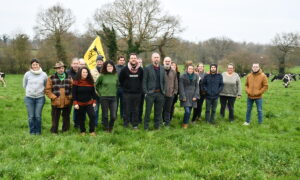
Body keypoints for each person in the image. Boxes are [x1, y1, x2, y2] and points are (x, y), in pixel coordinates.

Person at [45, 61, 73, 134]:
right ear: (56, 69)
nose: (60, 69)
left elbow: (73, 89)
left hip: (66, 101)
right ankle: (54, 131)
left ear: (64, 68)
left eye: (62, 68)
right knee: (55, 117)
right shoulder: (51, 78)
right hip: (55, 102)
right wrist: (54, 98)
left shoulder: (69, 77)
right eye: (58, 68)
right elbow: (47, 90)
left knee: (66, 117)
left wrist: (70, 96)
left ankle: (65, 130)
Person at [23, 59, 48, 135]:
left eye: (36, 64)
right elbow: (24, 85)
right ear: (31, 66)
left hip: (40, 98)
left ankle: (38, 132)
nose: (35, 66)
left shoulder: (44, 74)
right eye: (33, 64)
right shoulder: (27, 74)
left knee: (37, 116)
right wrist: (30, 91)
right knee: (31, 116)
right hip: (29, 98)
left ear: (39, 65)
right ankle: (32, 132)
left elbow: (46, 85)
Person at [119, 53, 143, 129]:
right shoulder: (124, 69)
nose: (133, 59)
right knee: (126, 110)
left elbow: (142, 80)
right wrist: (126, 88)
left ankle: (135, 125)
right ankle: (126, 124)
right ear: (129, 59)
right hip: (127, 93)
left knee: (136, 110)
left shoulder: (140, 70)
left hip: (137, 94)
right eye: (132, 58)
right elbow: (121, 80)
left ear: (136, 60)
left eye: (134, 58)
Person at [143, 52, 166, 130]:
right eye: (155, 57)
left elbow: (164, 81)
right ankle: (146, 127)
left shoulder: (162, 68)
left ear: (159, 59)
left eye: (157, 57)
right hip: (150, 94)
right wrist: (146, 92)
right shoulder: (147, 68)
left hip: (160, 93)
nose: (156, 59)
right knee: (148, 111)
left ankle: (157, 126)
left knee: (158, 112)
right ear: (152, 59)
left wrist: (164, 91)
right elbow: (144, 81)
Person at [72, 67, 97, 136]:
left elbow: (93, 93)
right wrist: (75, 103)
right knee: (81, 118)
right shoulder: (76, 81)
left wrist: (94, 101)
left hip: (89, 103)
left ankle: (92, 131)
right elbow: (74, 93)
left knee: (92, 116)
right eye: (83, 72)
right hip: (79, 104)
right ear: (80, 73)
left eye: (86, 72)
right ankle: (82, 131)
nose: (85, 73)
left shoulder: (90, 81)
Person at [95, 60, 119, 132]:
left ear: (113, 67)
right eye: (108, 66)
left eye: (111, 66)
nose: (109, 67)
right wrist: (101, 92)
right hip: (104, 97)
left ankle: (110, 127)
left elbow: (117, 85)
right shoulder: (102, 76)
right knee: (105, 115)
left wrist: (114, 91)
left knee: (113, 116)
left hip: (113, 98)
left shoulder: (115, 75)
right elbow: (96, 85)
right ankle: (106, 128)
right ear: (105, 67)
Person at [179, 64, 199, 128]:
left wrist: (195, 96)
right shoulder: (183, 76)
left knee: (189, 111)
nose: (191, 70)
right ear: (187, 69)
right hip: (185, 95)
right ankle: (185, 123)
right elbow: (181, 87)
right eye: (189, 69)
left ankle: (186, 122)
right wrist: (183, 96)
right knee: (187, 111)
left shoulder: (196, 76)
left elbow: (197, 87)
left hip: (193, 96)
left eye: (192, 69)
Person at [162, 57, 178, 127]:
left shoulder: (173, 71)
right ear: (163, 62)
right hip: (161, 94)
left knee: (168, 110)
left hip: (170, 94)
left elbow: (176, 82)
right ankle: (161, 122)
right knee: (161, 109)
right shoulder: (160, 70)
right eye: (166, 61)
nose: (167, 62)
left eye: (169, 61)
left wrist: (175, 92)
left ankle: (167, 123)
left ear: (170, 62)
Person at [66, 57, 80, 128]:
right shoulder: (67, 73)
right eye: (74, 63)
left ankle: (77, 125)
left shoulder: (82, 72)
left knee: (78, 110)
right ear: (71, 64)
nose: (75, 65)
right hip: (69, 95)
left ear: (79, 64)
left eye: (77, 63)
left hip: (78, 95)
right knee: (67, 111)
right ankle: (66, 126)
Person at [91, 55, 104, 127]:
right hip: (95, 95)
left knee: (104, 110)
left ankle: (103, 123)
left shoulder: (106, 71)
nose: (99, 63)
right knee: (95, 110)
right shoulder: (92, 71)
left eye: (101, 61)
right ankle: (94, 124)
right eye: (98, 61)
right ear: (96, 62)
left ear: (103, 62)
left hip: (104, 94)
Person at [115, 56, 126, 120]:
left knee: (123, 103)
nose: (122, 61)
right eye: (120, 60)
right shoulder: (114, 68)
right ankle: (114, 116)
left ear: (124, 61)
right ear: (118, 61)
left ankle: (122, 116)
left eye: (123, 60)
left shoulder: (126, 68)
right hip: (116, 88)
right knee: (115, 103)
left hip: (123, 88)